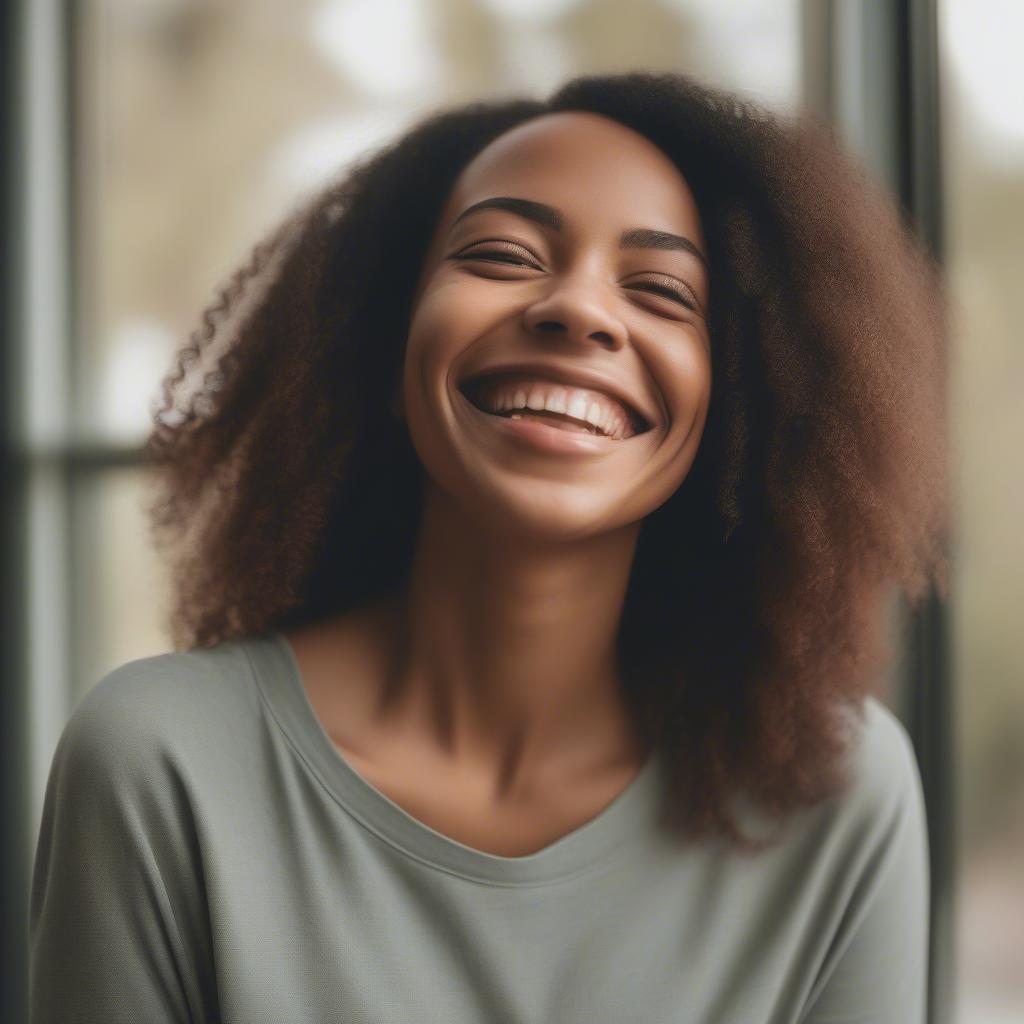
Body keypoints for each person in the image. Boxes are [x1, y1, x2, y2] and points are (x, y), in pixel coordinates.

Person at [29, 71, 949, 1023]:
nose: (580, 310)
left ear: (734, 403)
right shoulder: (163, 765)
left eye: (663, 291)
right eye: (504, 255)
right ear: (386, 348)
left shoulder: (832, 795)